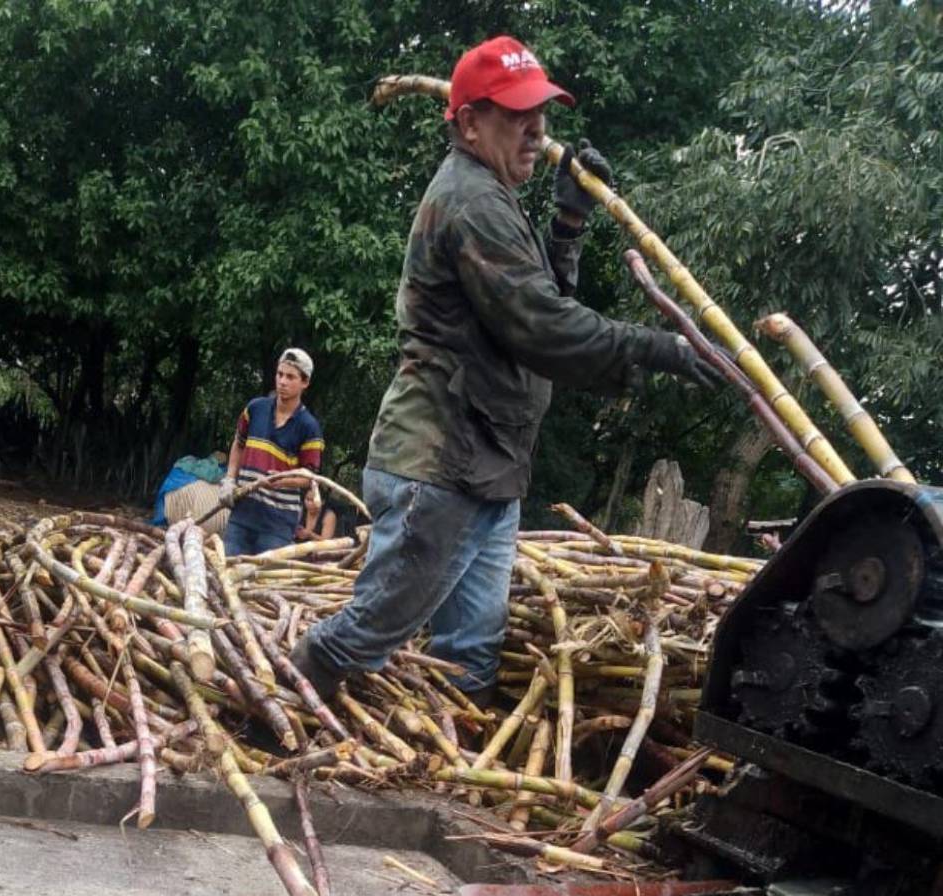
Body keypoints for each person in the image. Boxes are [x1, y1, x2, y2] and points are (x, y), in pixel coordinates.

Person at [291, 35, 719, 703]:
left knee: (472, 651)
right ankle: (279, 711)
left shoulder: (493, 194)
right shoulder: (471, 201)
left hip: (485, 465)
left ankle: (447, 771)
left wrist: (568, 225)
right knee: (365, 635)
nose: (538, 130)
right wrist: (654, 348)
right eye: (518, 114)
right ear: (468, 123)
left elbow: (536, 303)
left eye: (541, 113)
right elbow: (541, 327)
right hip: (439, 464)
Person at [218, 348, 325, 555]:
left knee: (265, 583)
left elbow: (310, 477)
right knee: (228, 571)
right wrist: (229, 479)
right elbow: (238, 444)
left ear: (305, 383)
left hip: (278, 524)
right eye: (280, 374)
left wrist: (283, 480)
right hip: (243, 514)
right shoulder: (255, 409)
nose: (282, 381)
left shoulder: (309, 427)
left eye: (290, 377)